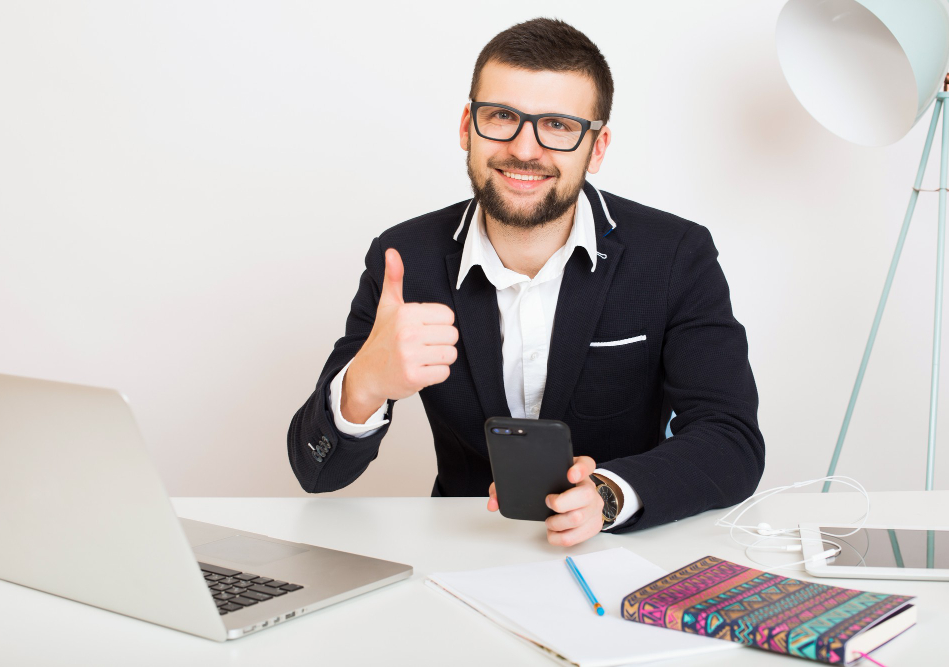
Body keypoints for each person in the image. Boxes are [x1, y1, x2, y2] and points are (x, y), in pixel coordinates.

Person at [288, 17, 764, 546]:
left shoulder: (674, 255)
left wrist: (607, 496)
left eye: (558, 125)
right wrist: (364, 384)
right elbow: (317, 472)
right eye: (502, 116)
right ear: (467, 127)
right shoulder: (404, 260)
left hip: (620, 553)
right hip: (464, 547)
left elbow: (731, 440)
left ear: (597, 147)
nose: (524, 149)